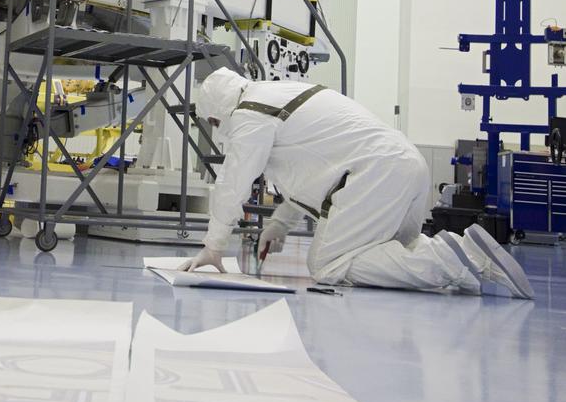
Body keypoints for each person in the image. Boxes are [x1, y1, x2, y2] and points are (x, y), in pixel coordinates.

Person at [179, 68, 533, 298]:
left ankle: (451, 258)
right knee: (395, 251)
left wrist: (214, 245)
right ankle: (468, 267)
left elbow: (233, 180)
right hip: (405, 167)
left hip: (375, 176)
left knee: (328, 265)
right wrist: (279, 223)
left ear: (217, 112)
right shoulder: (279, 93)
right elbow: (312, 168)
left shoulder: (250, 113)